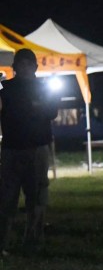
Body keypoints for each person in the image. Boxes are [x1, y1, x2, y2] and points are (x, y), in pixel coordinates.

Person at [0, 49, 58, 254]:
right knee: (7, 198)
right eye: (21, 64)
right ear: (14, 67)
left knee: (37, 197)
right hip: (12, 148)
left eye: (28, 64)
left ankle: (33, 241)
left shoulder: (43, 88)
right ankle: (4, 243)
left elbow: (52, 111)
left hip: (36, 147)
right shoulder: (5, 90)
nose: (25, 68)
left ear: (35, 67)